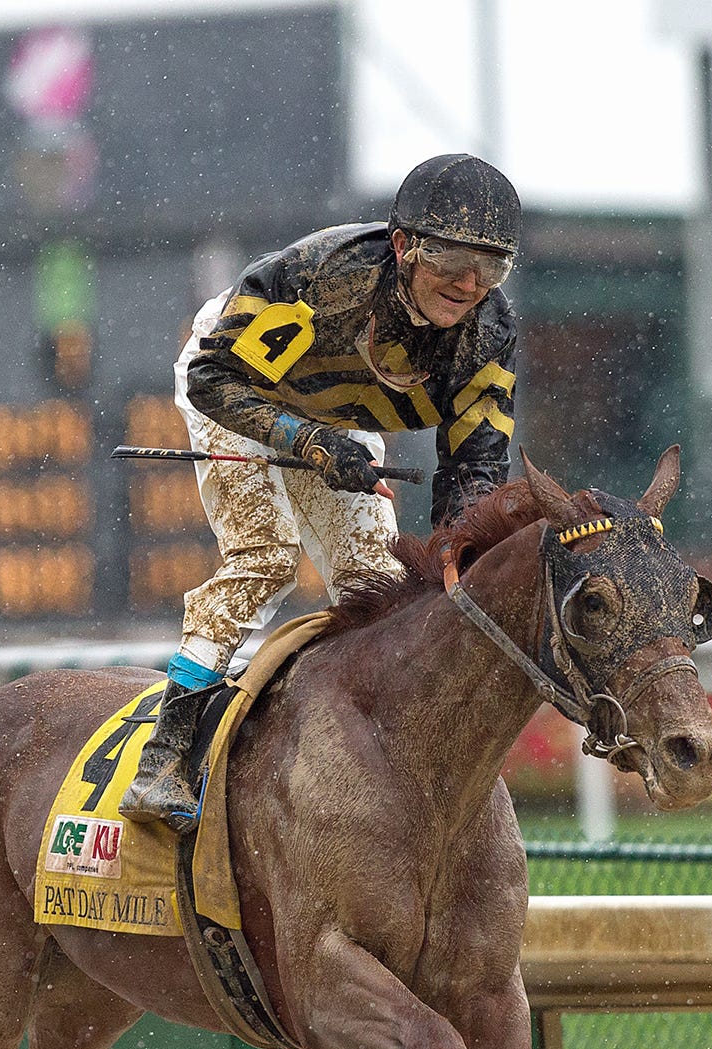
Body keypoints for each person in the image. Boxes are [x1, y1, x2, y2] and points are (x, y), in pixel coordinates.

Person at [120, 152, 521, 833]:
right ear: (403, 246)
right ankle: (166, 754)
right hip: (241, 388)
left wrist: (458, 561)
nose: (469, 285)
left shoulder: (489, 335)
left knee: (379, 581)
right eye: (453, 259)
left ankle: (369, 753)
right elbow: (215, 380)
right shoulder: (322, 281)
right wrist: (304, 441)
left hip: (338, 415)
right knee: (267, 558)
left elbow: (474, 468)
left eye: (492, 267)